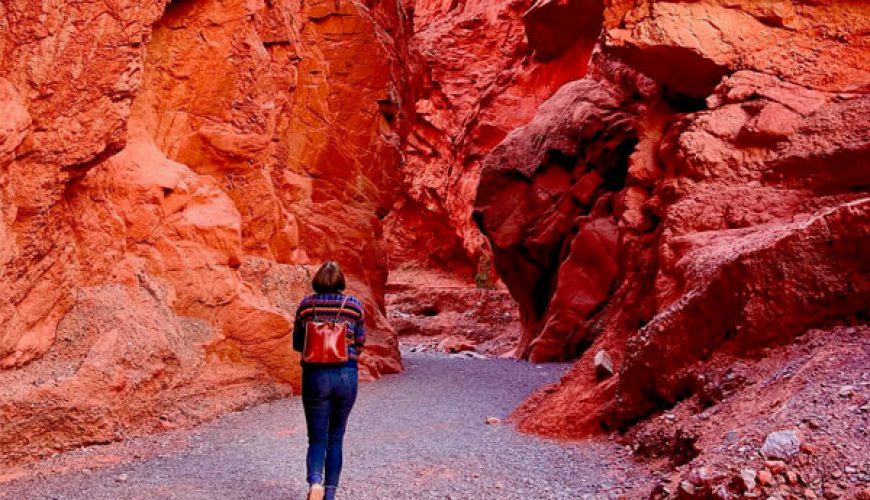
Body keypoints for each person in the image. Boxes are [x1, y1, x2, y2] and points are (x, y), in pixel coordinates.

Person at [293, 261, 365, 500]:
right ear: (340, 280)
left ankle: (315, 483)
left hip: (315, 375)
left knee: (316, 437)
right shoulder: (353, 306)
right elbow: (360, 342)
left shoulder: (306, 306)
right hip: (346, 374)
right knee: (336, 436)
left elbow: (297, 344)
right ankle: (330, 494)